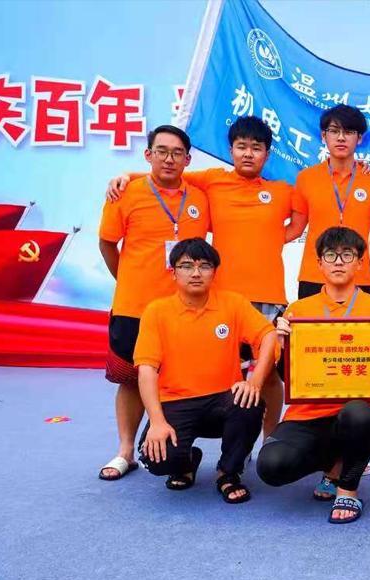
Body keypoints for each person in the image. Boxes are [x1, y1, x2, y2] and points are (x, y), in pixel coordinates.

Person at [105, 116, 291, 437]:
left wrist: (271, 239)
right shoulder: (212, 180)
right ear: (231, 150)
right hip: (221, 296)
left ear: (267, 153)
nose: (248, 153)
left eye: (256, 148)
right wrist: (126, 175)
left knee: (269, 373)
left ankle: (269, 439)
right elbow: (169, 174)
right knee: (223, 372)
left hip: (269, 295)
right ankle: (161, 439)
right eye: (241, 146)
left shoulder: (283, 192)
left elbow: (302, 221)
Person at [256, 226, 370, 523]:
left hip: (360, 415)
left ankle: (347, 488)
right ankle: (334, 465)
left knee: (358, 414)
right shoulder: (297, 311)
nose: (339, 261)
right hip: (309, 414)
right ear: (319, 263)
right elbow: (287, 378)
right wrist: (283, 345)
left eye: (347, 255)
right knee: (271, 466)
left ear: (360, 263)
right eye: (331, 255)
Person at [97, 125, 210, 481]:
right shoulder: (125, 193)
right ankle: (125, 451)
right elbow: (107, 243)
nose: (169, 159)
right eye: (161, 151)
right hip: (134, 307)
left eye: (177, 153)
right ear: (148, 155)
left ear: (187, 160)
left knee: (182, 380)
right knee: (131, 379)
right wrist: (127, 280)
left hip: (185, 308)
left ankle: (180, 453)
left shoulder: (200, 196)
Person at [134, 238, 277, 504]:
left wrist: (254, 382)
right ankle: (187, 460)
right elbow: (146, 370)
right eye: (187, 266)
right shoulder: (156, 312)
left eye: (205, 266)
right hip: (175, 402)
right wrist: (156, 421)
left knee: (250, 402)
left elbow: (268, 335)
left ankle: (228, 473)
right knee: (157, 460)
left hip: (222, 401)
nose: (196, 273)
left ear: (215, 272)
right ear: (173, 272)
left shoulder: (233, 303)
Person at [284, 104, 370, 299]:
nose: (341, 138)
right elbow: (295, 228)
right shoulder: (306, 178)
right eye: (334, 131)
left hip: (359, 278)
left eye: (348, 132)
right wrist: (255, 238)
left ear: (359, 138)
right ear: (324, 136)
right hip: (314, 277)